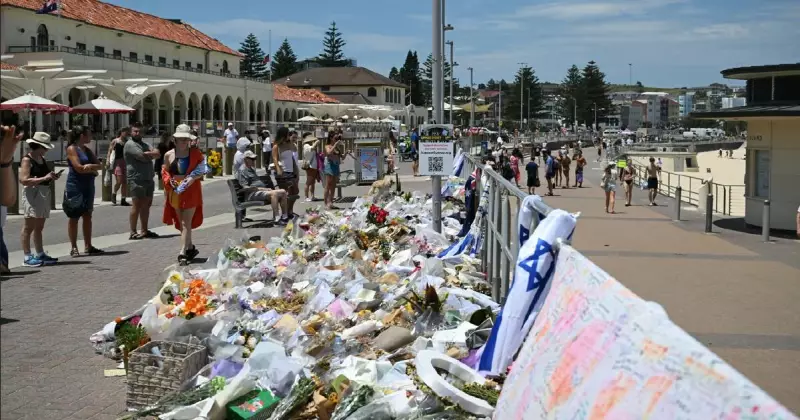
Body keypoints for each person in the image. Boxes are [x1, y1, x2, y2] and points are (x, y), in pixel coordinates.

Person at [161, 124, 208, 265]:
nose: (183, 142)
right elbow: (165, 172)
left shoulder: (196, 153)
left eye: (185, 139)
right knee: (181, 223)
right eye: (180, 139)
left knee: (186, 222)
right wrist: (169, 181)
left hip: (191, 190)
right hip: (176, 192)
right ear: (175, 140)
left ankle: (183, 252)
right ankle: (190, 247)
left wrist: (192, 179)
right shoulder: (168, 155)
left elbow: (202, 170)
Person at [18, 132, 59, 267]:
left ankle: (40, 253)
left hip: (43, 193)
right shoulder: (27, 160)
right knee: (28, 226)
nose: (46, 150)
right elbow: (24, 180)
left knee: (39, 227)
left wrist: (51, 177)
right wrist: (44, 178)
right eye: (45, 147)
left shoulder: (41, 158)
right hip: (32, 194)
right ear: (38, 146)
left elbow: (44, 175)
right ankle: (27, 256)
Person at [64, 125, 104, 257]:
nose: (91, 137)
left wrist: (91, 167)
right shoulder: (71, 149)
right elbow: (79, 168)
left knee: (88, 215)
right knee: (74, 216)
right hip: (75, 185)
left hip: (88, 185)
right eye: (89, 134)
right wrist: (92, 169)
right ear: (82, 136)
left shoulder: (86, 149)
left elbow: (100, 165)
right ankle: (74, 247)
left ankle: (88, 245)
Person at [125, 123, 161, 240]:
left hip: (148, 178)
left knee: (146, 205)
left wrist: (150, 154)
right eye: (135, 131)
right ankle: (133, 231)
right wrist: (152, 155)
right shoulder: (130, 144)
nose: (137, 133)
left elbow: (157, 153)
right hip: (136, 179)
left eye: (139, 131)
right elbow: (142, 156)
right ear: (131, 132)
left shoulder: (144, 143)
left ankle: (144, 230)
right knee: (137, 204)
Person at [237, 151, 289, 226]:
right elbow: (246, 187)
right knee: (274, 194)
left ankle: (284, 217)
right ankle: (277, 219)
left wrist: (265, 189)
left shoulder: (251, 169)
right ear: (246, 159)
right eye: (252, 159)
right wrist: (263, 189)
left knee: (283, 192)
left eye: (254, 159)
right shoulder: (242, 170)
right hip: (252, 194)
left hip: (259, 192)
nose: (254, 160)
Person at [272, 127, 300, 217]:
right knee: (285, 193)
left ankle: (289, 210)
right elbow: (275, 158)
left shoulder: (288, 144)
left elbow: (294, 150)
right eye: (288, 134)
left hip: (291, 171)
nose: (289, 135)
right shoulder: (276, 146)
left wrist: (296, 169)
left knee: (295, 191)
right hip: (283, 172)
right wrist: (278, 169)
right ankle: (285, 213)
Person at [106, 127, 130, 206]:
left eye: (127, 132)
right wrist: (108, 161)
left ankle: (123, 199)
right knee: (119, 181)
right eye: (125, 132)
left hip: (126, 162)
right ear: (121, 132)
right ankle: (114, 193)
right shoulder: (115, 141)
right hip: (117, 162)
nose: (127, 134)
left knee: (125, 182)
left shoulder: (127, 142)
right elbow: (110, 151)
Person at [323, 132, 345, 209]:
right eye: (335, 138)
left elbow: (342, 157)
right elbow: (329, 153)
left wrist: (346, 153)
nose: (336, 140)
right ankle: (326, 203)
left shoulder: (337, 147)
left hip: (336, 166)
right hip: (330, 166)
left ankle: (331, 202)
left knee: (333, 186)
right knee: (328, 185)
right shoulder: (327, 146)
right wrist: (335, 145)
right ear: (331, 138)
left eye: (337, 138)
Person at [301, 133, 321, 202]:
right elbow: (312, 148)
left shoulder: (309, 145)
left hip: (313, 166)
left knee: (312, 182)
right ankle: (306, 196)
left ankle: (312, 196)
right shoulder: (306, 145)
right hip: (310, 166)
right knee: (309, 182)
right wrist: (316, 142)